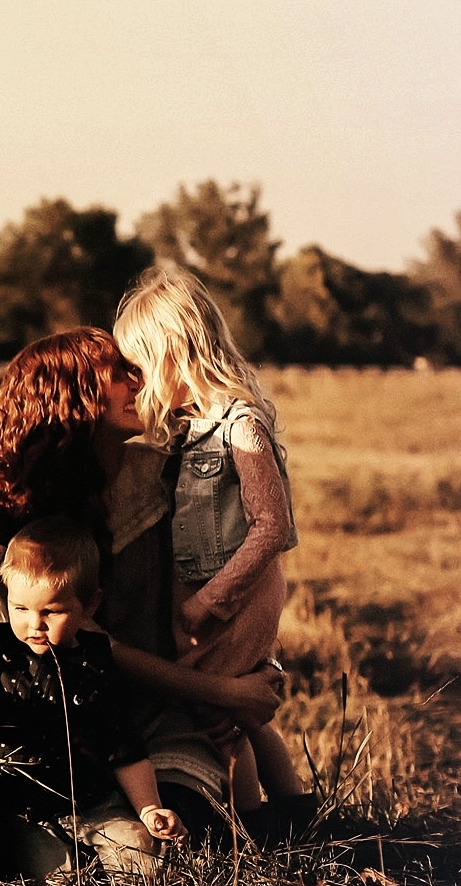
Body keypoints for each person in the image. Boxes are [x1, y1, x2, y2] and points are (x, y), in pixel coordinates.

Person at [0, 327, 285, 837]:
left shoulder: (170, 473)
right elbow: (98, 647)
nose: (142, 380)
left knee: (175, 835)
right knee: (62, 851)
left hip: (167, 718)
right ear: (71, 397)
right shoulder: (13, 515)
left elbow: (234, 569)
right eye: (121, 373)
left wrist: (245, 669)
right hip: (57, 731)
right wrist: (226, 691)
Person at [113, 265, 313, 825]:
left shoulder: (240, 425)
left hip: (236, 593)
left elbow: (273, 527)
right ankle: (298, 816)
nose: (137, 381)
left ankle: (250, 835)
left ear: (178, 353)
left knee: (216, 714)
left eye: (141, 366)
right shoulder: (191, 426)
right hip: (215, 590)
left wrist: (209, 601)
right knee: (242, 715)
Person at [0, 517, 188, 875]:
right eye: (20, 608)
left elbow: (124, 748)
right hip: (18, 808)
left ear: (89, 606)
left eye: (52, 611)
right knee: (60, 879)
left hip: (93, 801)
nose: (35, 624)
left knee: (144, 855)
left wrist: (149, 809)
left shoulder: (96, 660)